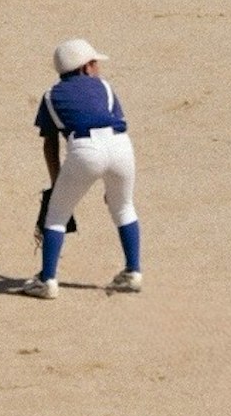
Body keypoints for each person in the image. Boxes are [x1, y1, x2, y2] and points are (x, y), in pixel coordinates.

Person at [21, 38, 143, 298]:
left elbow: (50, 146)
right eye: (95, 63)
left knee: (56, 215)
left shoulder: (50, 96)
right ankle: (133, 272)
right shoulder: (106, 88)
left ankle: (47, 281)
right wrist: (113, 184)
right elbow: (116, 122)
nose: (97, 68)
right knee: (123, 206)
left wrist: (56, 183)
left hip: (84, 150)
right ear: (86, 67)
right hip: (121, 146)